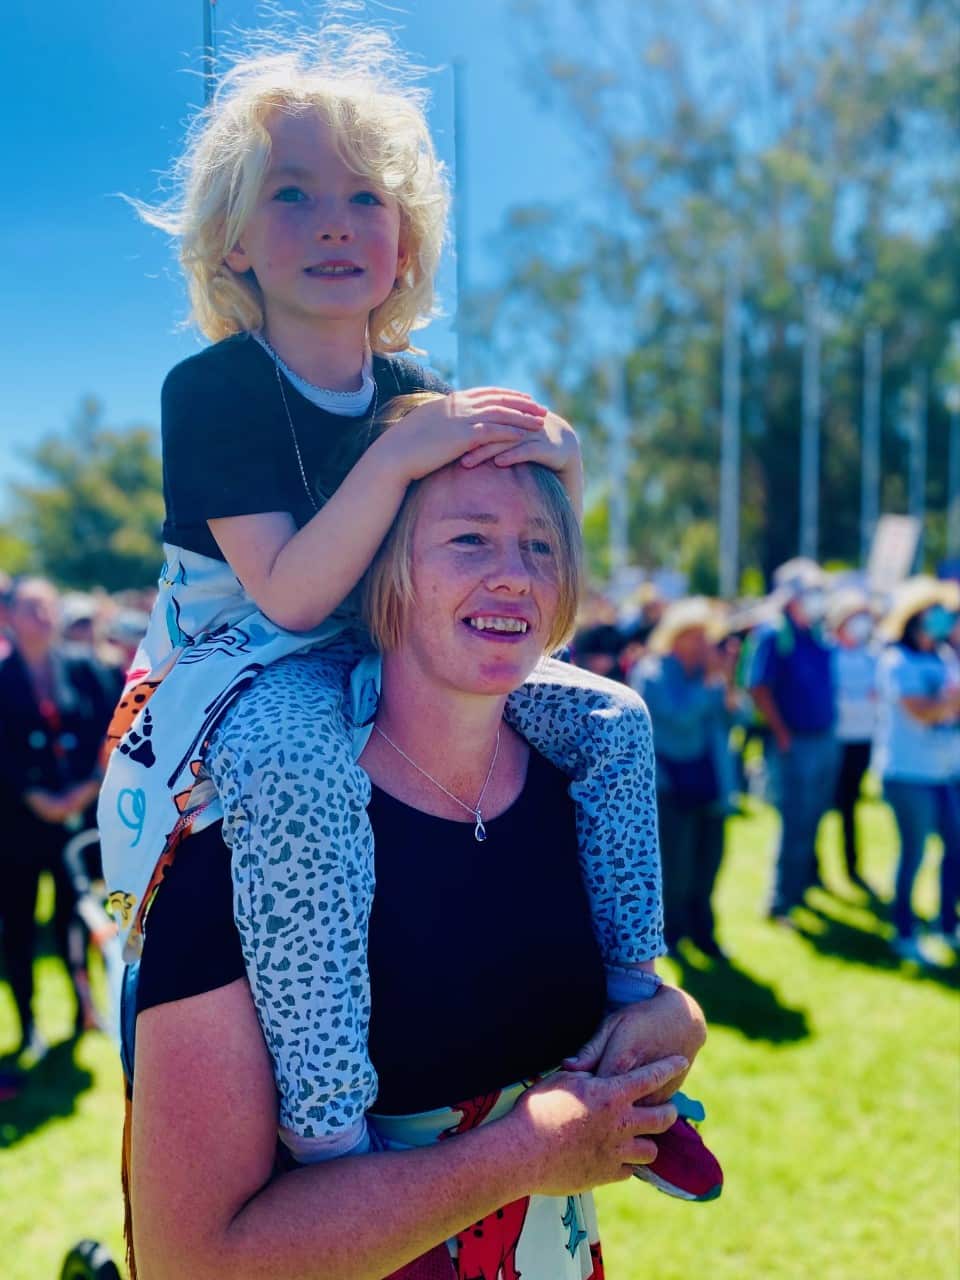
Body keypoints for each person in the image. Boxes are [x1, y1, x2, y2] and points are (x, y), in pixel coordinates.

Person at [101, 24, 671, 1167]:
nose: (332, 222)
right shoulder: (214, 389)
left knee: (610, 716)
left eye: (366, 196)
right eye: (292, 194)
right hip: (240, 667)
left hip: (386, 638)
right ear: (232, 245)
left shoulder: (415, 387)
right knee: (303, 774)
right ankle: (326, 1125)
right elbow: (293, 594)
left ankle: (628, 997)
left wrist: (554, 451)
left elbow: (484, 521)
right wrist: (409, 457)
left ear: (407, 236)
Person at [128, 455, 710, 1280]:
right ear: (381, 571)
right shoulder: (255, 847)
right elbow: (191, 1260)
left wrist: (674, 1024)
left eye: (541, 546)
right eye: (469, 539)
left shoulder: (571, 783)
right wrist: (520, 1156)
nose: (515, 576)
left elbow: (585, 996)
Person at [0, 578, 115, 1057]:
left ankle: (84, 1009)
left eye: (48, 606)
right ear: (9, 616)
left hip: (78, 819)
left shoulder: (87, 670)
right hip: (19, 824)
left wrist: (87, 786)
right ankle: (27, 1023)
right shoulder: (4, 679)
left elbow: (114, 728)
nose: (43, 617)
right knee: (19, 924)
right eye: (31, 608)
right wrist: (33, 795)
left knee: (78, 918)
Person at [632, 598, 734, 958]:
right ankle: (672, 933)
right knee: (676, 866)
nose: (704, 645)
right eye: (695, 637)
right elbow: (679, 716)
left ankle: (704, 931)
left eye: (707, 637)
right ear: (675, 637)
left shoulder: (709, 676)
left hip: (710, 782)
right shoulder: (652, 672)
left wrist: (729, 685)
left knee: (709, 862)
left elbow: (734, 718)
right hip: (670, 784)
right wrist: (710, 686)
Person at [872, 576, 960, 961]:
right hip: (907, 775)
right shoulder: (897, 660)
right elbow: (920, 711)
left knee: (955, 849)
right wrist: (948, 702)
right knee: (914, 853)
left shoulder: (943, 657)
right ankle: (904, 931)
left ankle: (947, 924)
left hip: (943, 773)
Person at [746, 559, 838, 923]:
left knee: (813, 817)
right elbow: (758, 687)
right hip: (794, 743)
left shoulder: (816, 633)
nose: (817, 599)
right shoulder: (773, 634)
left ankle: (801, 888)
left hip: (823, 739)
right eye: (810, 591)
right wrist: (782, 734)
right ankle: (781, 900)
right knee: (794, 820)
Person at [827, 589, 878, 891]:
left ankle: (852, 865)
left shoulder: (871, 656)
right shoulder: (830, 653)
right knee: (822, 805)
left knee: (850, 805)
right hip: (835, 741)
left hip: (863, 740)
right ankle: (811, 867)